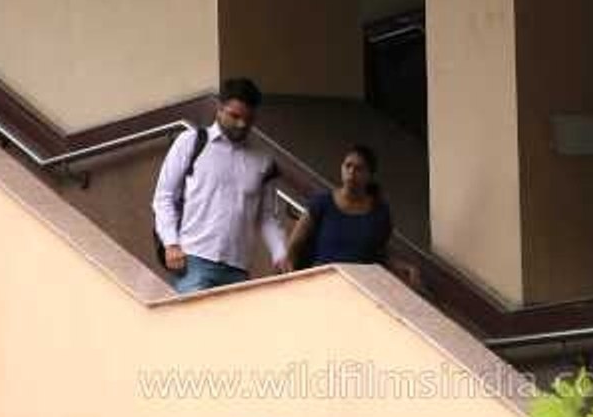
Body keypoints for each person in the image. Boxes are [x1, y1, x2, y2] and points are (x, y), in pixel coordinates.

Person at [152, 78, 287, 294]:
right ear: (219, 108)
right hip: (194, 260)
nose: (242, 124)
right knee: (192, 325)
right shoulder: (191, 142)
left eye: (248, 119)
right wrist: (170, 242)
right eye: (235, 116)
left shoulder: (263, 159)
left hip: (238, 268)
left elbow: (267, 215)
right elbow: (164, 196)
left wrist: (280, 252)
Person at [281, 145, 419, 285]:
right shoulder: (322, 203)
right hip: (323, 281)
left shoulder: (379, 212)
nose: (351, 172)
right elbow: (295, 244)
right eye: (348, 166)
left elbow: (380, 254)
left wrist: (404, 267)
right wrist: (290, 269)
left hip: (361, 284)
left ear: (369, 176)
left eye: (359, 169)